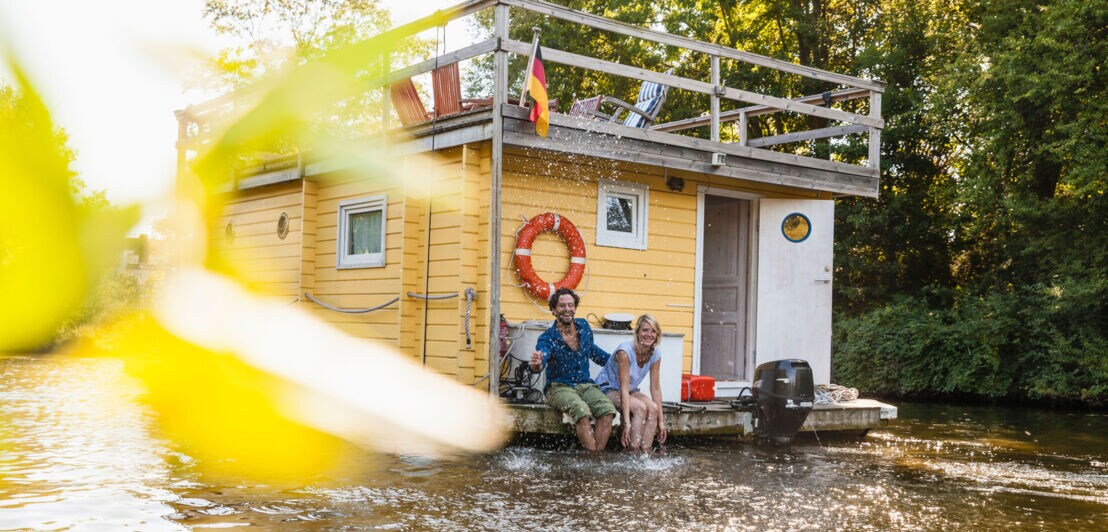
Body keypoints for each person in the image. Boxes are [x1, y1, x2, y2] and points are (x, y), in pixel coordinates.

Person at [530, 288, 616, 452]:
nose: (567, 309)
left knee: (607, 410)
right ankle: (593, 460)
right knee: (581, 410)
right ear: (554, 310)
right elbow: (540, 362)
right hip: (559, 387)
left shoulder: (583, 326)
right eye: (562, 306)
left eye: (570, 305)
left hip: (585, 384)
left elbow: (592, 351)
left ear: (575, 308)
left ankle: (596, 456)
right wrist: (536, 363)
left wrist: (615, 360)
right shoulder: (548, 337)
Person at [594, 314, 667, 451]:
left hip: (630, 389)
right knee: (640, 408)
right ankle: (632, 452)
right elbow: (623, 387)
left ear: (657, 335)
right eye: (645, 330)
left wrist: (661, 422)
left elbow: (655, 388)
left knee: (653, 408)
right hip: (607, 388)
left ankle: (646, 452)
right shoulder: (625, 352)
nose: (649, 334)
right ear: (637, 333)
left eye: (653, 331)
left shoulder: (655, 354)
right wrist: (626, 423)